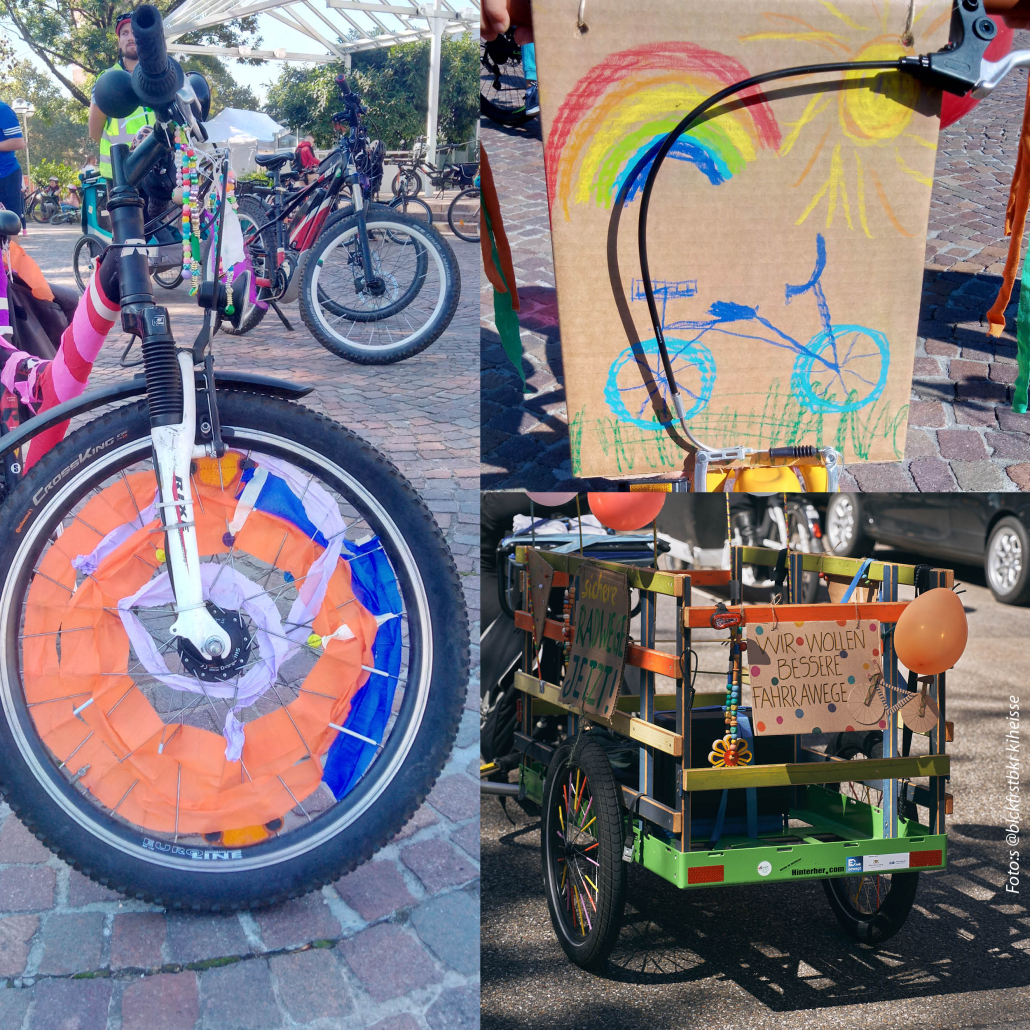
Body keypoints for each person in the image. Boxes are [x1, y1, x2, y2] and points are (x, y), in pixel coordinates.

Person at [88, 11, 175, 220]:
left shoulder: (163, 75)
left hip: (159, 168)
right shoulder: (107, 79)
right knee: (128, 237)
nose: (130, 37)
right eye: (124, 33)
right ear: (119, 42)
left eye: (135, 32)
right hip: (122, 173)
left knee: (161, 234)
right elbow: (94, 130)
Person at [0, 100, 27, 234]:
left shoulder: (3, 110)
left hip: (6, 175)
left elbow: (19, 142)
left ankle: (13, 255)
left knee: (9, 226)